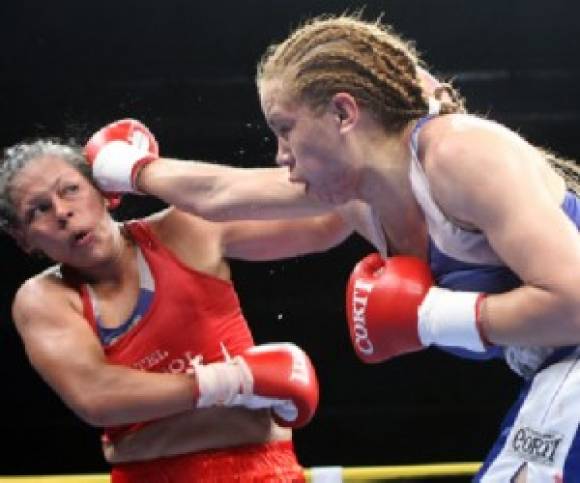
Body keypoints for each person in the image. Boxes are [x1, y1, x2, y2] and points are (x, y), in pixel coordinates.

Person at [83, 13, 580, 482]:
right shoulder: (358, 198)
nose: (281, 155)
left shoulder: (460, 154)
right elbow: (220, 194)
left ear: (343, 113)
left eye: (285, 129)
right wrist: (127, 168)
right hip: (553, 374)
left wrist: (429, 316)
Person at [0, 131, 347, 482]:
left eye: (70, 189)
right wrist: (234, 380)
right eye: (39, 210)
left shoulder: (186, 230)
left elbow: (325, 224)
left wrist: (349, 155)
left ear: (103, 190)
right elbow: (96, 394)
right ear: (24, 239)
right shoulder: (46, 298)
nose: (62, 212)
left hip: (267, 469)